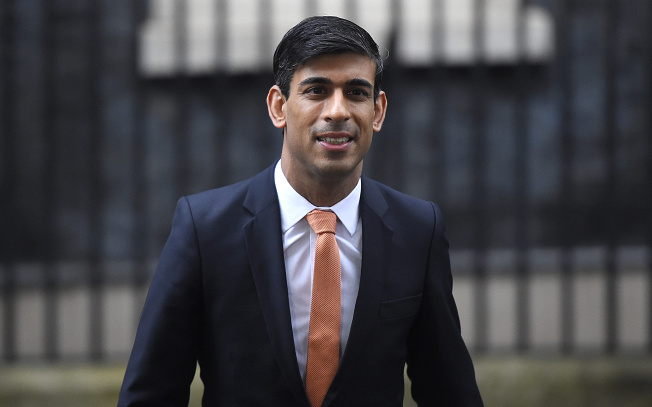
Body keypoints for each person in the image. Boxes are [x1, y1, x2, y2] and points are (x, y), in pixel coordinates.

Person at [118, 15, 483, 407]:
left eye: (356, 92)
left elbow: (449, 391)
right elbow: (151, 393)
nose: (338, 111)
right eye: (317, 90)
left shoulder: (418, 231)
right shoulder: (205, 230)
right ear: (279, 107)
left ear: (378, 111)